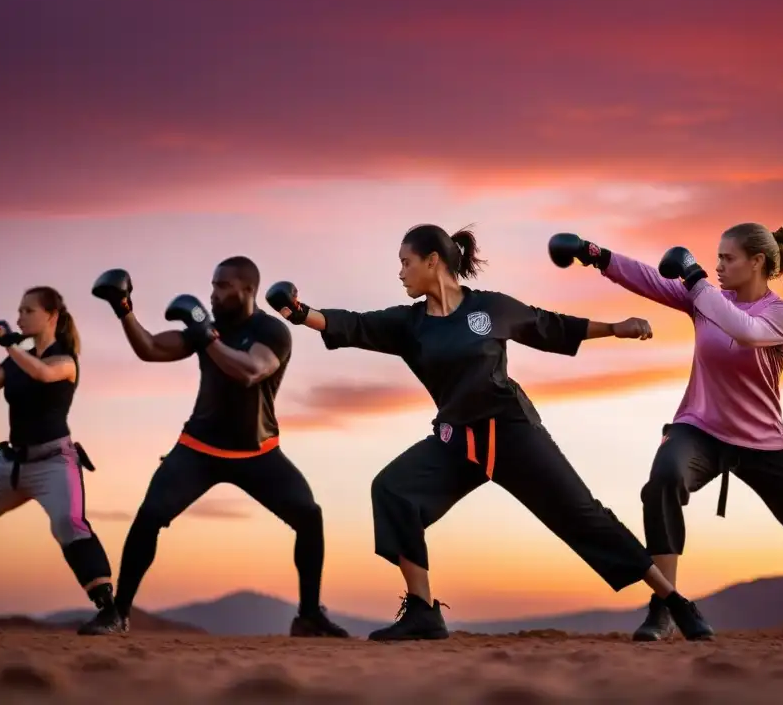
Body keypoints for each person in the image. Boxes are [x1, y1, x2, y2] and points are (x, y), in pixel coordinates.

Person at [265, 224, 715, 642]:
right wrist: (300, 312)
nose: (400, 272)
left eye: (406, 262)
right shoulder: (411, 324)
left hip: (513, 433)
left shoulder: (489, 308)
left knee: (583, 516)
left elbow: (547, 325)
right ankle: (423, 610)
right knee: (392, 490)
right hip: (458, 441)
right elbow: (356, 324)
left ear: (433, 261)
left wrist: (615, 328)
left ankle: (673, 600)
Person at [547, 225, 783, 640]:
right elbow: (650, 279)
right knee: (664, 480)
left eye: (729, 258)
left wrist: (694, 279)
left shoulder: (781, 315)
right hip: (700, 429)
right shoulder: (705, 296)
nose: (719, 266)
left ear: (757, 261)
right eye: (717, 258)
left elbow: (744, 331)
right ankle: (665, 606)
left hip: (765, 442)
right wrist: (595, 254)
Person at [77, 256, 348, 638]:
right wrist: (124, 310)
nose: (213, 292)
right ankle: (118, 613)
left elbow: (250, 371)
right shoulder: (207, 328)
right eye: (213, 284)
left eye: (222, 286)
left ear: (247, 290)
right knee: (148, 517)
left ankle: (308, 616)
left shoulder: (271, 331)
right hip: (198, 450)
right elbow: (152, 348)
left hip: (258, 453)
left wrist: (206, 334)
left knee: (308, 515)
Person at [0, 287, 117, 625]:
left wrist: (9, 340)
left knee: (69, 523)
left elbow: (42, 373)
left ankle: (110, 611)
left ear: (51, 316)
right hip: (11, 464)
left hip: (54, 462)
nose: (19, 317)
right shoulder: (15, 359)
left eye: (27, 311)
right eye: (18, 311)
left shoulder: (65, 359)